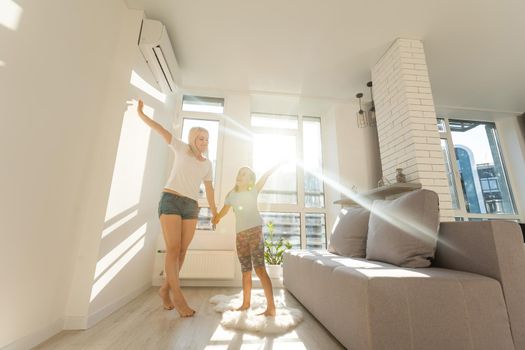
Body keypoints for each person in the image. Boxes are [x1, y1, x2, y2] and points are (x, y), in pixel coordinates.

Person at [136, 99, 217, 317]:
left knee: (182, 251)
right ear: (193, 138)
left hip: (191, 206)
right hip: (171, 200)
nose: (204, 142)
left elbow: (209, 189)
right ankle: (178, 297)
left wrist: (215, 211)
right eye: (201, 138)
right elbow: (160, 129)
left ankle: (164, 290)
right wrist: (141, 114)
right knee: (173, 248)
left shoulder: (207, 164)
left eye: (207, 139)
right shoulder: (181, 148)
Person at [212, 164, 283, 316]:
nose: (239, 175)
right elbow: (224, 211)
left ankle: (271, 307)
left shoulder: (253, 190)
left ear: (250, 180)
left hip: (255, 232)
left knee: (260, 269)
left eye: (244, 174)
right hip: (241, 235)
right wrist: (216, 218)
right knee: (245, 271)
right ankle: (245, 304)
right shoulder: (231, 194)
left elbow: (265, 176)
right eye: (239, 173)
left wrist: (275, 166)